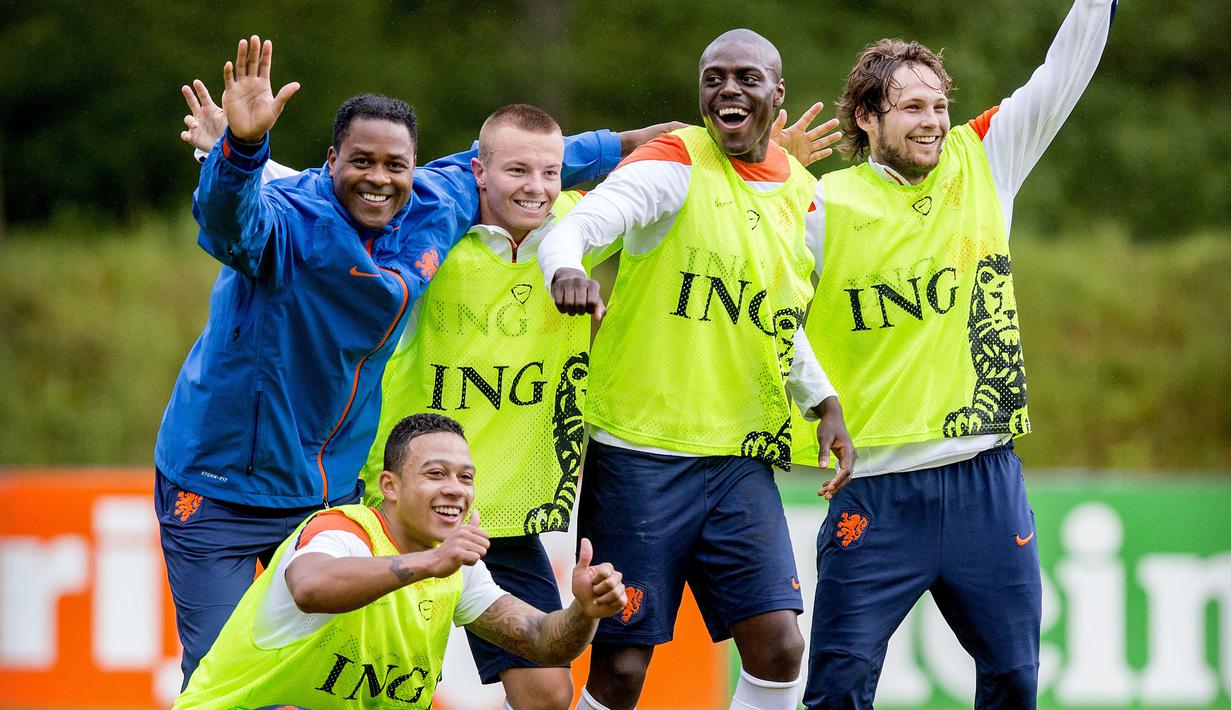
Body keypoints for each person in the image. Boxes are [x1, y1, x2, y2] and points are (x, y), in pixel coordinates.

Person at [156, 35, 659, 686]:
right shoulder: (285, 222)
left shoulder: (433, 203)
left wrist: (639, 143)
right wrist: (242, 151)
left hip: (328, 492)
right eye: (360, 160)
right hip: (219, 486)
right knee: (223, 679)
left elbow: (514, 156)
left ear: (415, 167)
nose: (379, 177)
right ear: (331, 159)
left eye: (396, 164)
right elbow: (228, 220)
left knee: (331, 677)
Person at [789, 1, 1117, 707]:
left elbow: (1062, 72)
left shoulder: (985, 158)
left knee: (1012, 679)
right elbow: (770, 316)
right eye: (909, 107)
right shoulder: (822, 205)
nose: (931, 120)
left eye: (938, 104)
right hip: (875, 490)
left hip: (984, 481)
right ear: (866, 120)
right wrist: (818, 397)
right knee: (838, 688)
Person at [537, 29, 856, 710]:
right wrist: (565, 267)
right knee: (621, 670)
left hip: (738, 457)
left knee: (779, 648)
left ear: (777, 95)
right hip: (638, 457)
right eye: (713, 78)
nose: (727, 91)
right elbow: (581, 225)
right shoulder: (673, 161)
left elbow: (773, 315)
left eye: (745, 78)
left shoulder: (801, 193)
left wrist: (820, 396)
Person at [173, 412, 627, 709]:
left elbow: (542, 642)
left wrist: (583, 613)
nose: (456, 488)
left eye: (465, 477)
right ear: (389, 485)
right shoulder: (344, 530)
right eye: (435, 474)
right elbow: (310, 587)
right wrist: (430, 565)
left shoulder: (459, 565)